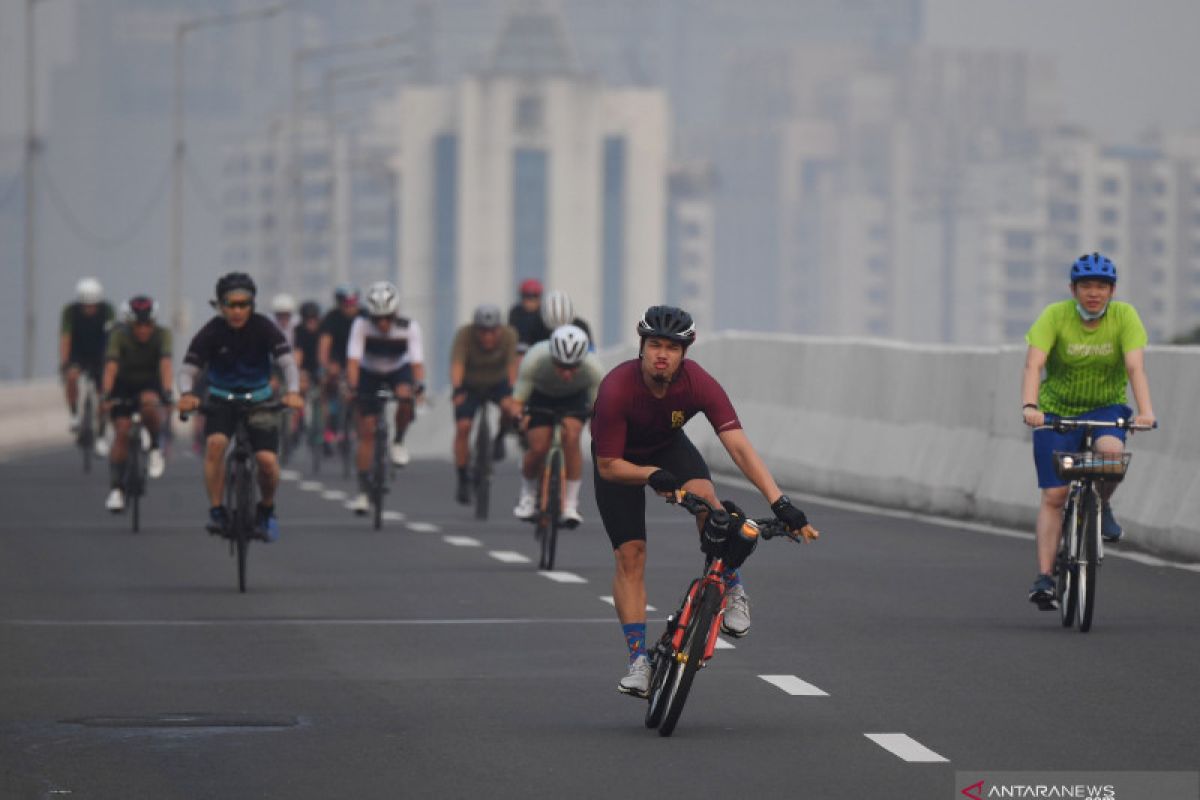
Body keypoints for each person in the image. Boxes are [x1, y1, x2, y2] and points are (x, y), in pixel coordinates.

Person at [591, 305, 818, 697]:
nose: (663, 354)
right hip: (621, 462)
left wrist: (780, 502)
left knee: (709, 502)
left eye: (673, 348)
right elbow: (608, 465)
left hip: (667, 448)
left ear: (685, 353)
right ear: (642, 346)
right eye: (655, 345)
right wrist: (649, 475)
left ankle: (731, 585)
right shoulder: (616, 388)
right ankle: (638, 662)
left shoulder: (698, 385)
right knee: (631, 555)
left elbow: (739, 448)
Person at [1020, 253, 1156, 610]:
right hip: (1056, 411)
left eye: (1101, 287)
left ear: (1112, 291)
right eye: (1086, 286)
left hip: (1105, 407)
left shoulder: (1125, 316)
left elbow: (1134, 367)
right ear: (1073, 289)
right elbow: (1034, 363)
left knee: (1112, 453)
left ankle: (1104, 504)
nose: (1093, 293)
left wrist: (1145, 411)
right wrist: (1031, 407)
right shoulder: (1055, 316)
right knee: (1055, 495)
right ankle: (1046, 577)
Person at [176, 273, 304, 542]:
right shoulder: (211, 331)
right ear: (220, 305)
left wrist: (293, 392)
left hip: (260, 400)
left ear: (253, 304)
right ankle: (217, 510)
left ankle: (266, 510)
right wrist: (187, 394)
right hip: (222, 399)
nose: (237, 311)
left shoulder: (264, 327)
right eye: (230, 304)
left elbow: (288, 364)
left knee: (267, 462)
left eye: (243, 304)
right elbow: (188, 370)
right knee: (215, 446)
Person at [346, 282, 426, 514]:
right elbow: (353, 361)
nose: (382, 324)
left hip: (397, 370)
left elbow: (417, 364)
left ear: (396, 313)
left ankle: (399, 440)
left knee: (404, 396)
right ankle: (362, 491)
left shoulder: (409, 327)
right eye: (377, 318)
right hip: (368, 371)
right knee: (367, 433)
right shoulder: (360, 325)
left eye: (387, 318)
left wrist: (418, 387)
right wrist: (353, 387)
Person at [511, 325, 602, 526]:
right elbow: (517, 401)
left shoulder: (593, 368)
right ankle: (528, 495)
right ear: (552, 358)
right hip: (540, 397)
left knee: (572, 436)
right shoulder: (534, 359)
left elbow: (599, 407)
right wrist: (518, 417)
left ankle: (570, 504)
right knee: (539, 447)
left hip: (574, 399)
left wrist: (597, 424)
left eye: (573, 367)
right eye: (561, 366)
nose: (567, 373)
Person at [100, 296, 172, 512]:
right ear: (130, 324)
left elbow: (166, 365)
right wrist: (106, 395)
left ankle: (154, 448)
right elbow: (111, 367)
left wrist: (167, 393)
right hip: (124, 384)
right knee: (121, 431)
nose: (143, 330)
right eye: (138, 325)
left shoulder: (162, 335)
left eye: (147, 324)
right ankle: (116, 489)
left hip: (150, 383)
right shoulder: (119, 336)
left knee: (150, 404)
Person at [449, 304, 519, 504]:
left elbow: (512, 365)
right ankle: (463, 477)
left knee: (510, 407)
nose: (488, 337)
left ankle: (500, 437)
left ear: (499, 329)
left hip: (498, 383)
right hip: (470, 385)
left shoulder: (509, 335)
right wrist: (457, 389)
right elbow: (457, 365)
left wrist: (514, 392)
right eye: (483, 331)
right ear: (475, 329)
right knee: (463, 427)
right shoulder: (464, 335)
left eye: (492, 331)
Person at [60, 277, 116, 450]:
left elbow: (113, 338)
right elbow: (65, 338)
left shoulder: (107, 311)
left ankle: (101, 432)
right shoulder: (70, 311)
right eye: (85, 306)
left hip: (100, 354)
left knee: (104, 394)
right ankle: (75, 414)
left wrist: (111, 363)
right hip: (79, 353)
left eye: (92, 306)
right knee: (72, 377)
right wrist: (65, 362)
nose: (89, 309)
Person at [317, 284, 362, 449]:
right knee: (330, 383)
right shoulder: (331, 318)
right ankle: (330, 420)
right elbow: (324, 345)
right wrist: (326, 365)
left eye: (353, 302)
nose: (350, 307)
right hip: (338, 360)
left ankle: (357, 425)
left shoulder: (364, 317)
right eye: (347, 303)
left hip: (360, 361)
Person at [507, 278, 549, 356]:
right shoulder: (515, 313)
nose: (530, 301)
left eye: (534, 297)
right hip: (518, 355)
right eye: (527, 296)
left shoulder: (544, 315)